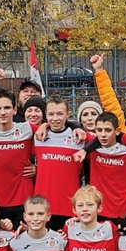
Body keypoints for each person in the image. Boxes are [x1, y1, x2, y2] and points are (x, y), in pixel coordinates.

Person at [0, 89, 37, 227]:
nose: (3, 112)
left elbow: (53, 129)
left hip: (24, 200)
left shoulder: (27, 129)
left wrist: (37, 168)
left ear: (15, 110)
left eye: (7, 108)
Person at [34, 97, 89, 230]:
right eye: (51, 114)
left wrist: (77, 127)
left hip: (69, 206)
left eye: (59, 114)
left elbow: (104, 137)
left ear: (68, 114)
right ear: (45, 115)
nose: (55, 118)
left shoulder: (80, 137)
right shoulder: (37, 136)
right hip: (42, 207)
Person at [85, 112, 126, 223]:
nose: (103, 134)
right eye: (99, 130)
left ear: (117, 131)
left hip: (123, 209)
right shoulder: (90, 147)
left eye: (108, 130)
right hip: (99, 209)